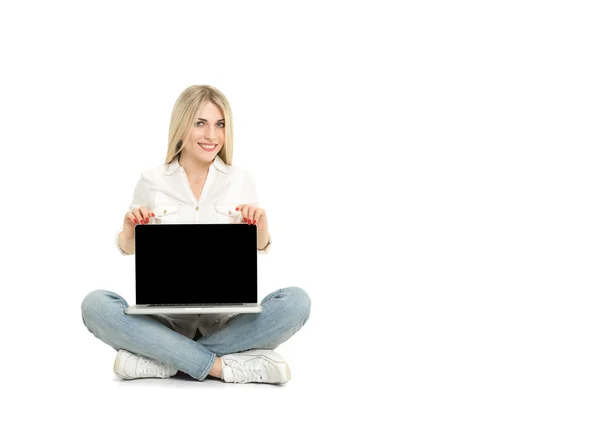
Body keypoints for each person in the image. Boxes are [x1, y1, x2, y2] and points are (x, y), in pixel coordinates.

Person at [81, 85, 311, 384]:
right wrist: (129, 232)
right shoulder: (152, 181)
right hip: (166, 321)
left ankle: (163, 359)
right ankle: (221, 366)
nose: (211, 135)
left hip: (227, 321)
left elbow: (258, 245)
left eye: (220, 124)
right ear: (181, 126)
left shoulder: (240, 179)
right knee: (95, 305)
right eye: (200, 123)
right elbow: (129, 247)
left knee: (296, 302)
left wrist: (262, 230)